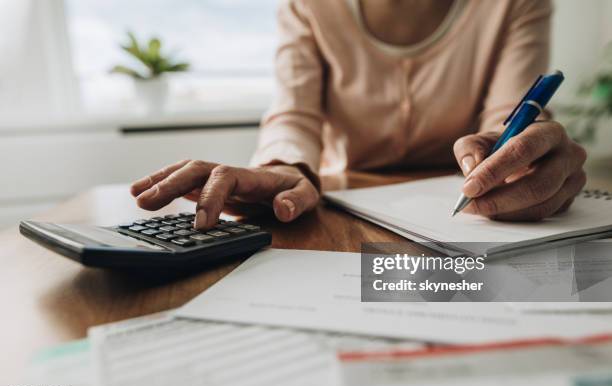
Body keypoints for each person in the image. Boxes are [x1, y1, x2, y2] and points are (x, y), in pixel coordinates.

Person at [130, 0, 587, 230]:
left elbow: (508, 117)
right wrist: (282, 166)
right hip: (343, 209)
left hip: (467, 214)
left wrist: (520, 153)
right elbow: (295, 114)